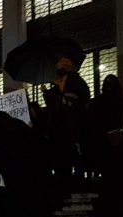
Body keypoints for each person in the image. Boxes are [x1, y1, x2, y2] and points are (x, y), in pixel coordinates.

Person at [42, 57, 91, 191]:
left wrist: (68, 98)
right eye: (58, 64)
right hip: (59, 126)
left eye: (62, 64)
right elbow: (51, 103)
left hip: (73, 123)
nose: (59, 66)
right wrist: (46, 93)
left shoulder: (77, 81)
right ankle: (64, 180)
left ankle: (79, 179)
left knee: (75, 152)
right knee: (61, 154)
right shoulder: (56, 83)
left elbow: (84, 96)